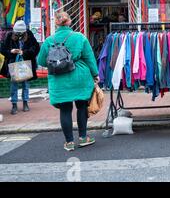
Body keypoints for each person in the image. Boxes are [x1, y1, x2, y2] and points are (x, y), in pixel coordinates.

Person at [37, 12, 99, 152]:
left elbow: (41, 61)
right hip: (80, 77)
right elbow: (89, 58)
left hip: (59, 79)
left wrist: (57, 62)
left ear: (56, 23)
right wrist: (95, 74)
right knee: (82, 106)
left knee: (65, 110)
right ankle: (83, 138)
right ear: (69, 22)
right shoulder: (79, 37)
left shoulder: (49, 41)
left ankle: (69, 142)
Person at [1, 20, 40, 115]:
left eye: (21, 33)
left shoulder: (29, 34)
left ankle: (25, 103)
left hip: (26, 62)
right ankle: (14, 104)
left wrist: (24, 52)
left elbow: (36, 48)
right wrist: (11, 51)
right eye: (17, 33)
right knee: (14, 85)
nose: (19, 34)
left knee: (25, 84)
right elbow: (2, 49)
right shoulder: (9, 35)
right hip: (14, 63)